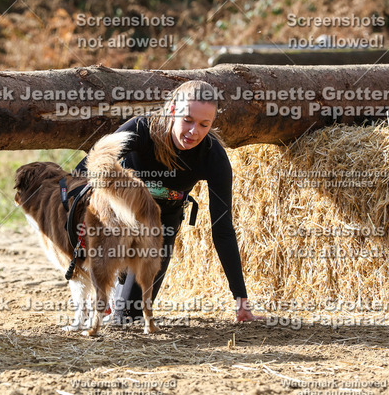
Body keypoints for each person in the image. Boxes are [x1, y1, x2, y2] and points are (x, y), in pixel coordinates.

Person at [75, 80, 262, 324]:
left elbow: (223, 229)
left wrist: (241, 300)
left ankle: (119, 295)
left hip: (162, 222)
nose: (194, 131)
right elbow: (83, 170)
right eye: (188, 120)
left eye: (204, 124)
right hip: (118, 214)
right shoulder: (141, 129)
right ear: (173, 110)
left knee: (128, 318)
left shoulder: (213, 156)